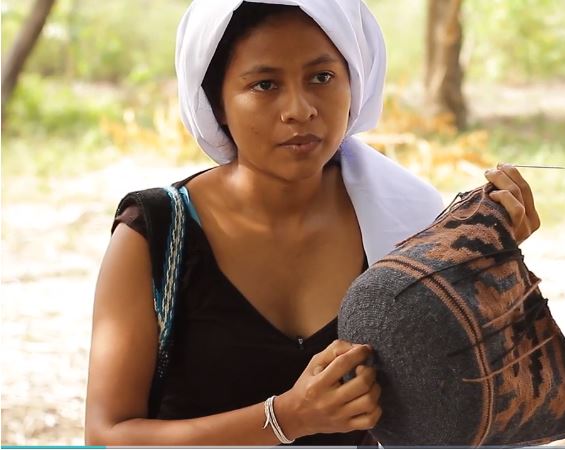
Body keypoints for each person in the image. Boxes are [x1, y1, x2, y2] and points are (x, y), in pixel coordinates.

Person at [84, 0, 541, 445]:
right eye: (264, 84)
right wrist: (286, 419)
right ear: (217, 103)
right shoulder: (155, 237)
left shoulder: (407, 224)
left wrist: (488, 269)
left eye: (322, 77)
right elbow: (107, 437)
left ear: (354, 86)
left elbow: (460, 401)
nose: (300, 109)